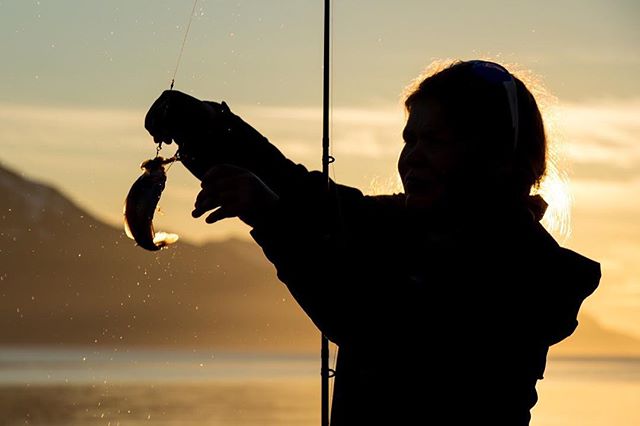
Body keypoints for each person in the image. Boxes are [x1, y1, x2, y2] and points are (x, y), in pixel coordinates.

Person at [144, 60, 601, 425]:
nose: (412, 155)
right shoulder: (401, 225)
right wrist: (208, 130)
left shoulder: (537, 275)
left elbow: (379, 325)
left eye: (435, 141)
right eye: (409, 139)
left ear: (496, 160)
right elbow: (302, 192)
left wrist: (272, 218)